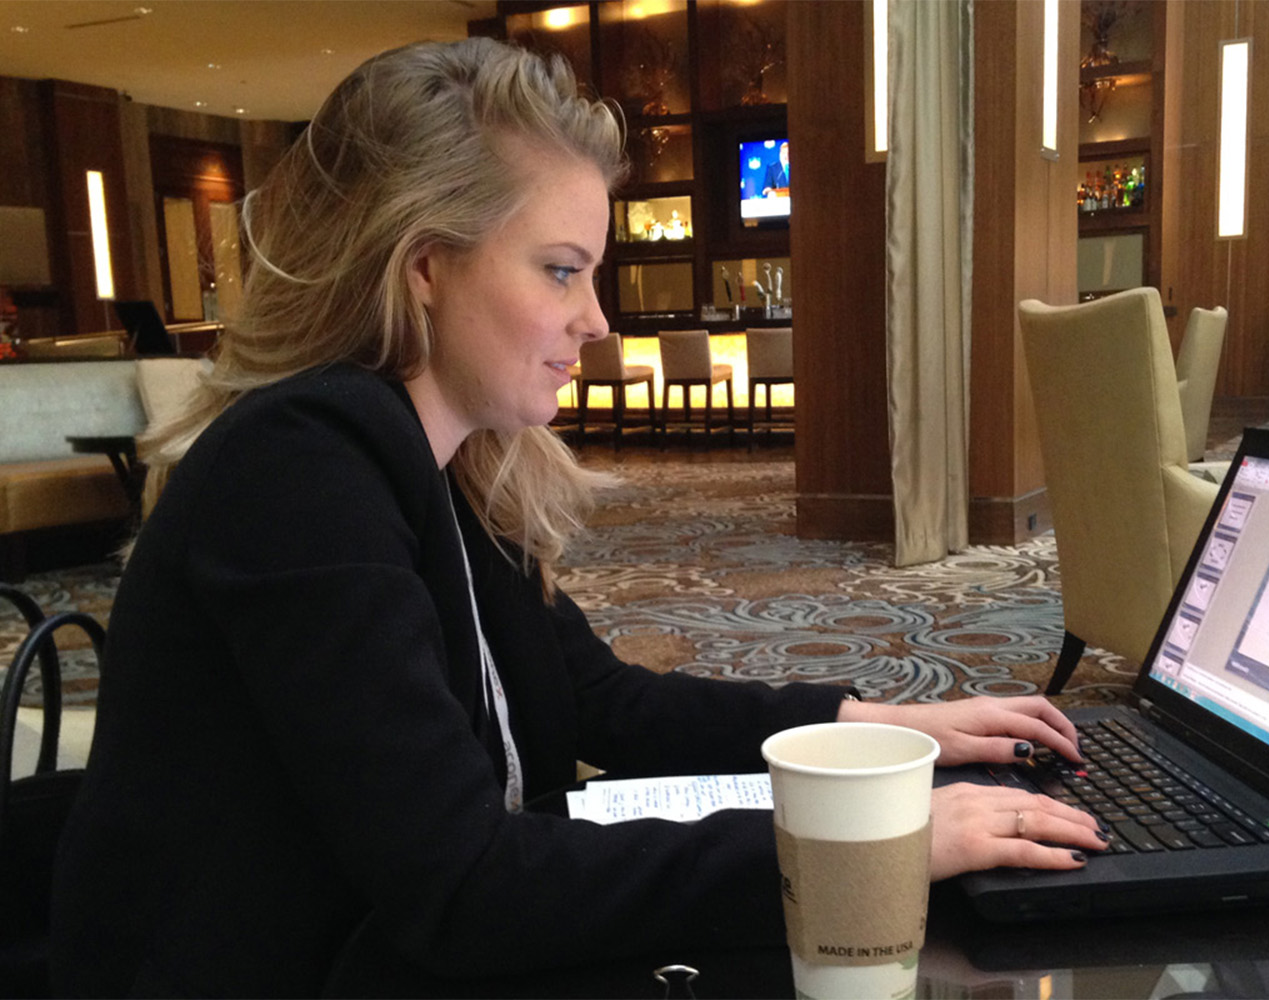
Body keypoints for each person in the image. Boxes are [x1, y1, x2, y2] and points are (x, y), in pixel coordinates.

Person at [50, 38, 1106, 996]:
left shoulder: (444, 465)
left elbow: (601, 702)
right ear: (423, 266)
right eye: (561, 270)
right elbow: (462, 886)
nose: (595, 320)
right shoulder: (299, 468)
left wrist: (874, 728)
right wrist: (863, 843)